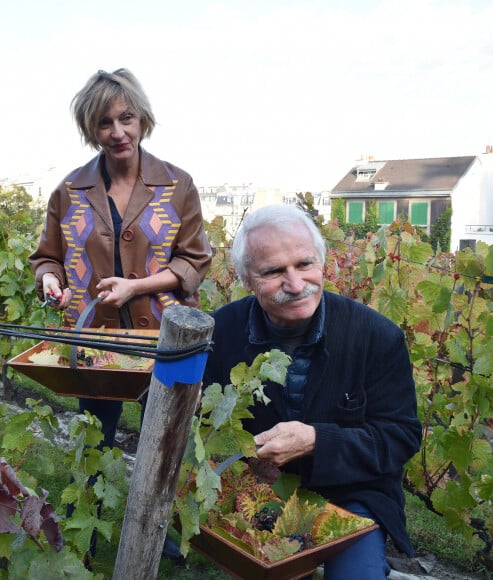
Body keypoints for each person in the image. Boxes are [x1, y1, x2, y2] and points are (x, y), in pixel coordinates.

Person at [29, 68, 212, 561]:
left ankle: (163, 528)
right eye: (105, 122)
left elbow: (194, 261)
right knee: (94, 441)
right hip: (94, 340)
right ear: (92, 129)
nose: (118, 132)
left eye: (126, 118)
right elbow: (46, 256)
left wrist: (137, 286)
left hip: (165, 337)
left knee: (169, 440)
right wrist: (50, 279)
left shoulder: (178, 185)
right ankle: (83, 534)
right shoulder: (69, 189)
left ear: (142, 118)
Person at [203, 204, 422, 579]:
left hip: (354, 493)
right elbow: (193, 420)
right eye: (273, 271)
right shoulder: (219, 333)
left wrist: (318, 441)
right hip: (256, 490)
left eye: (304, 264)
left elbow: (399, 437)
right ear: (246, 280)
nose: (295, 284)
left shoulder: (376, 336)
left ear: (322, 263)